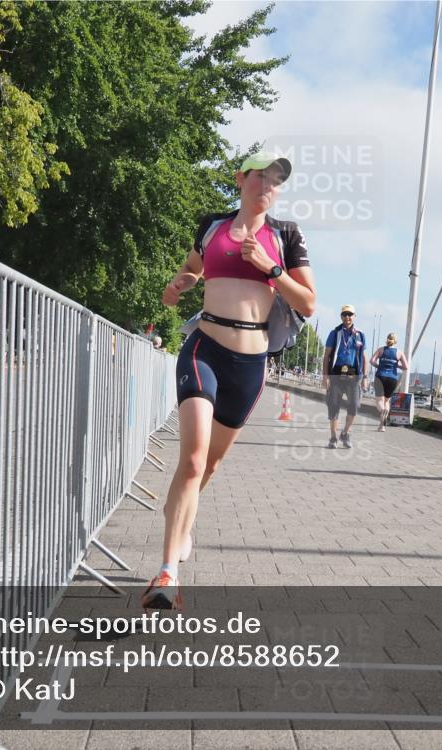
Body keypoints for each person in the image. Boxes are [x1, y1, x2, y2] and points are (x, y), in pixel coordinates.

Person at [147, 151, 317, 609]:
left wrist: (271, 267)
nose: (268, 185)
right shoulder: (213, 227)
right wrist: (178, 285)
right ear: (241, 179)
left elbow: (307, 303)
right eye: (261, 175)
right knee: (195, 457)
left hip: (251, 362)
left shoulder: (285, 236)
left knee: (211, 466)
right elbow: (191, 271)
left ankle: (178, 519)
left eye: (276, 180)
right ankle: (167, 572)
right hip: (204, 348)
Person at [323, 305, 366, 449]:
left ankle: (345, 433)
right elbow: (327, 355)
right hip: (336, 374)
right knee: (334, 406)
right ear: (341, 316)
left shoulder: (360, 335)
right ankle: (333, 437)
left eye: (350, 314)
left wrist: (365, 377)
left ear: (354, 316)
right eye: (344, 314)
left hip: (354, 376)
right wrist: (325, 376)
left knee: (354, 405)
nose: (347, 317)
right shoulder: (334, 333)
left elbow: (364, 357)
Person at [369, 332, 408, 431]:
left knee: (379, 400)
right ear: (396, 341)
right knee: (387, 401)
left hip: (380, 376)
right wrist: (396, 365)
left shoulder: (381, 350)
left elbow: (372, 361)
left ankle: (382, 411)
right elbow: (406, 367)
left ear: (387, 339)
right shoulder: (399, 352)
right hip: (392, 378)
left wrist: (379, 366)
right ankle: (382, 426)